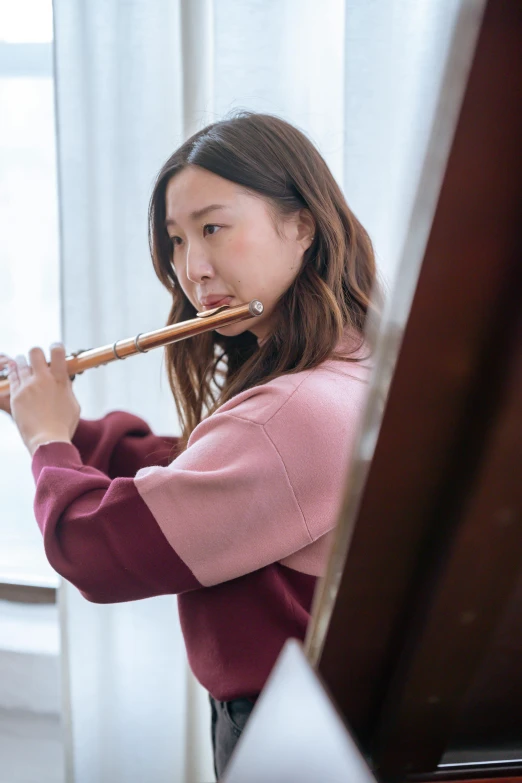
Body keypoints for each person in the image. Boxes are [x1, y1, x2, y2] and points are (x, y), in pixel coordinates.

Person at [0, 112, 377, 779]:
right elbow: (197, 474)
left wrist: (46, 438)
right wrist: (56, 418)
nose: (190, 269)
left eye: (213, 228)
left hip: (291, 739)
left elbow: (93, 547)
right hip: (325, 720)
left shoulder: (292, 414)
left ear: (303, 225)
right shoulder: (351, 372)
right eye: (176, 240)